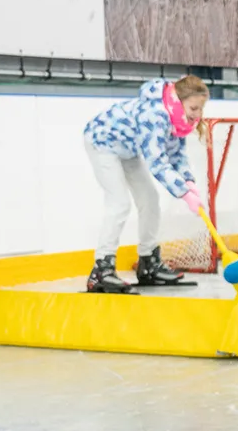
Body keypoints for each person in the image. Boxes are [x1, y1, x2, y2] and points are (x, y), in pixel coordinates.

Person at [82, 76, 209, 293]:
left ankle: (148, 263)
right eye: (194, 107)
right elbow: (157, 162)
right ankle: (101, 270)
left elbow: (176, 154)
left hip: (128, 148)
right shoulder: (155, 114)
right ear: (178, 101)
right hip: (102, 141)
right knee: (119, 203)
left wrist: (188, 182)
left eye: (200, 109)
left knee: (150, 200)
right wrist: (184, 193)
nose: (197, 114)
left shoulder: (176, 117)